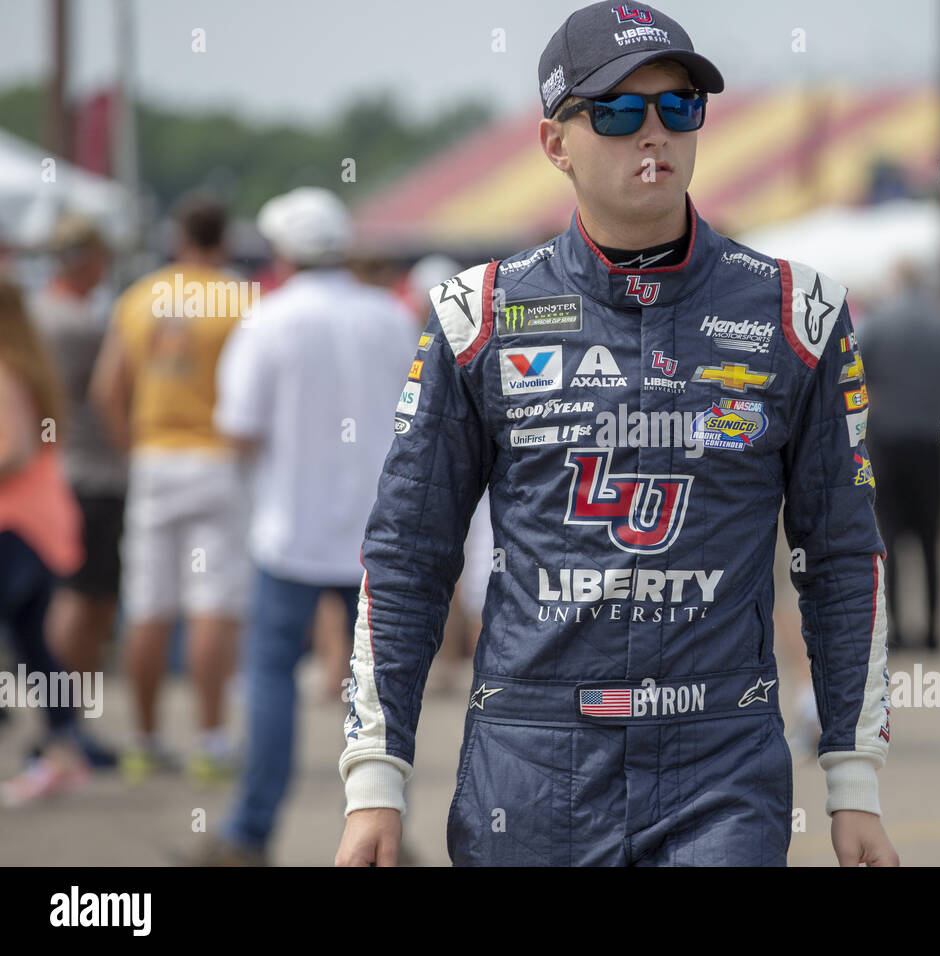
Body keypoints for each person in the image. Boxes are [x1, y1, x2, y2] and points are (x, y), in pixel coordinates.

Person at [335, 1, 896, 867]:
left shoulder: (799, 312)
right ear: (556, 142)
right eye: (620, 111)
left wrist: (853, 778)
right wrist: (376, 775)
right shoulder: (477, 314)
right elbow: (409, 551)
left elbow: (842, 552)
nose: (655, 135)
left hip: (723, 763)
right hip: (527, 763)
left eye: (678, 107)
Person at [180, 188, 416, 864]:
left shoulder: (270, 320)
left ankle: (250, 833)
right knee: (383, 690)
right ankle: (389, 833)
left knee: (271, 676)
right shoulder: (388, 316)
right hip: (379, 535)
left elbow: (237, 428)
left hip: (291, 530)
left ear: (282, 253)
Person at [90, 195, 249, 784]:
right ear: (223, 237)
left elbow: (108, 389)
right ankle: (210, 738)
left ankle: (145, 737)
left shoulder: (139, 297)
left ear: (177, 236)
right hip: (216, 456)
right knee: (213, 603)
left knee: (149, 602)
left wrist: (136, 446)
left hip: (155, 455)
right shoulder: (238, 298)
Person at [28, 218, 127, 770]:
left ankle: (66, 725)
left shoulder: (48, 314)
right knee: (82, 597)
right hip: (90, 474)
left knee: (84, 598)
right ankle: (62, 726)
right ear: (85, 258)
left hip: (70, 473)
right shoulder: (73, 323)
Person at [0, 279, 92, 805]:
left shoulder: (5, 368)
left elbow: (12, 448)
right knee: (34, 646)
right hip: (41, 523)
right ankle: (63, 747)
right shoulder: (27, 365)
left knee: (33, 646)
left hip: (16, 525)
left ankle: (61, 747)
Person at [856, 262, 940, 652]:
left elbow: (855, 376)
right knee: (932, 539)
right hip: (934, 441)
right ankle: (936, 630)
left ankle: (899, 630)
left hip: (886, 442)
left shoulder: (878, 322)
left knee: (888, 540)